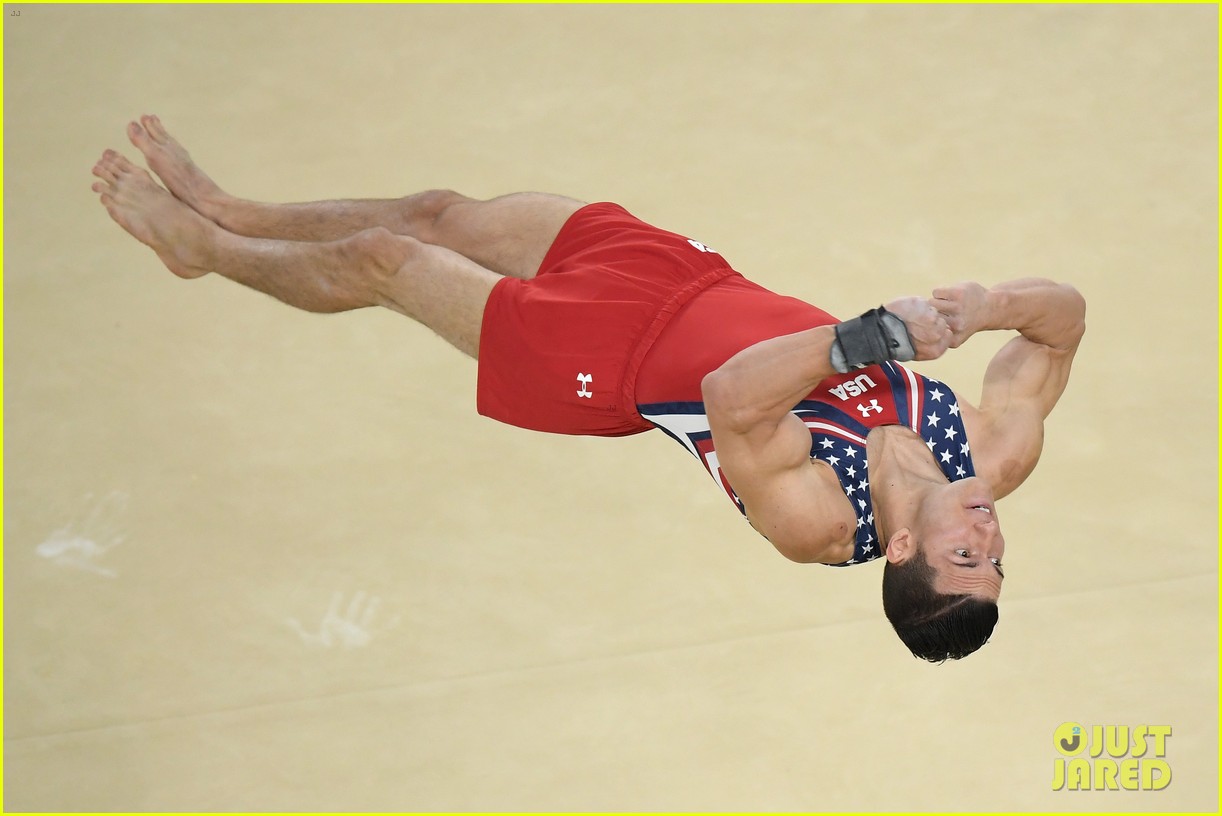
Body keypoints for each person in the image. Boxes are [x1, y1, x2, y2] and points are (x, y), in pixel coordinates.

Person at [91, 115, 1086, 662]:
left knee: (386, 261)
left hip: (597, 365)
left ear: (903, 548)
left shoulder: (817, 522)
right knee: (441, 212)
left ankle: (205, 248)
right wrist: (986, 301)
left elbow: (736, 395)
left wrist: (877, 335)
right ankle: (233, 209)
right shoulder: (994, 453)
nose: (991, 538)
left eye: (968, 557)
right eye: (998, 558)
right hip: (689, 278)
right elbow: (1063, 320)